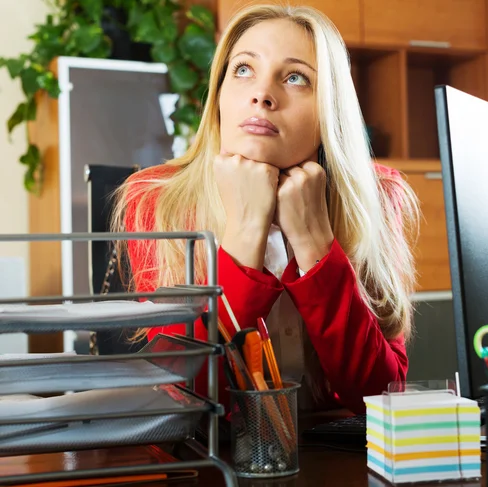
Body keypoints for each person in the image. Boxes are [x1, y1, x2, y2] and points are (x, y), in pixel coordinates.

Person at [113, 4, 419, 414]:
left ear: (331, 109)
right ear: (219, 94)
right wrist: (244, 233)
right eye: (243, 70)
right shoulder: (156, 199)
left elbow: (381, 394)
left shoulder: (377, 196)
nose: (262, 95)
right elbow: (179, 395)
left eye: (295, 78)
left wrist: (315, 245)